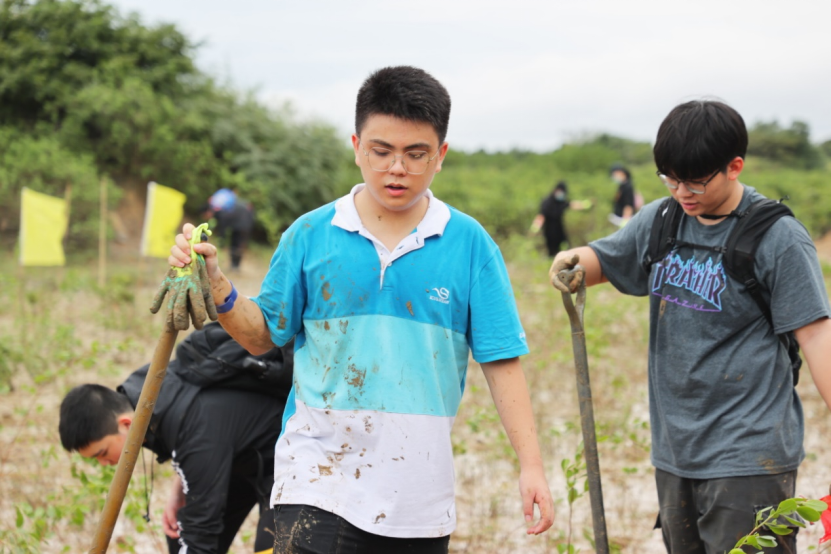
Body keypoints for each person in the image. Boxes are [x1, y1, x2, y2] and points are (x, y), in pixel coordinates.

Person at [167, 65, 554, 553]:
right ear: (356, 147)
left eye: (416, 154)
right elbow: (263, 336)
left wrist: (532, 465)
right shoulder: (310, 235)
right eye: (381, 151)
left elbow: (500, 359)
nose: (397, 169)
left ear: (441, 156)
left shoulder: (470, 245)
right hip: (314, 479)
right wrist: (218, 287)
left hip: (417, 495)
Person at [550, 100, 831, 553]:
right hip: (676, 450)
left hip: (749, 453)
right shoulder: (663, 221)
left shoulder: (777, 237)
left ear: (734, 166)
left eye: (696, 180)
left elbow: (817, 335)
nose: (683, 191)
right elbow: (606, 258)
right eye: (671, 178)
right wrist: (574, 262)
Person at [59, 325, 293, 554]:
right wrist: (180, 489)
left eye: (102, 453)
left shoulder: (190, 426)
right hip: (242, 458)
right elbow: (204, 441)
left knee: (274, 548)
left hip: (290, 460)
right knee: (180, 535)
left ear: (125, 424)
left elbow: (202, 527)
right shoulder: (144, 395)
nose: (104, 463)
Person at [530, 181, 591, 257]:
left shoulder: (561, 202)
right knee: (552, 251)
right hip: (549, 231)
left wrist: (585, 204)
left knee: (566, 248)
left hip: (560, 230)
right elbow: (541, 216)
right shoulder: (547, 202)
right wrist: (535, 228)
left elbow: (572, 204)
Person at [205, 189, 255, 272]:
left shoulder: (227, 206)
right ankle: (235, 265)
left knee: (236, 245)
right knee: (238, 245)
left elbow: (224, 223)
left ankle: (235, 265)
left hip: (239, 227)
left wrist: (222, 237)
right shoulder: (239, 203)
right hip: (244, 227)